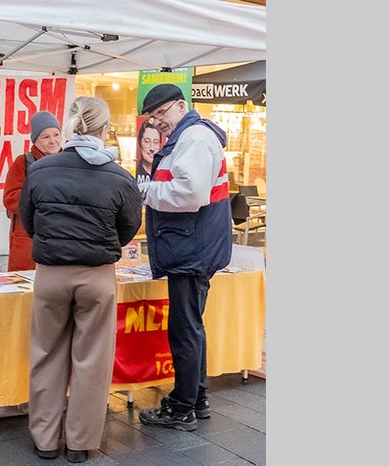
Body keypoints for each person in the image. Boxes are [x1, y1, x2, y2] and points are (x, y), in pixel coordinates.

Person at [18, 96, 142, 462]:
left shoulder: (41, 170)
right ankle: (79, 444)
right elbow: (128, 228)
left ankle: (44, 440)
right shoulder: (120, 177)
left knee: (46, 354)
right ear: (105, 129)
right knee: (92, 360)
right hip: (97, 275)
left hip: (51, 273)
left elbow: (30, 221)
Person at [135, 84, 232, 432]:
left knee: (184, 329)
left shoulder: (193, 138)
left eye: (162, 114)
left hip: (193, 250)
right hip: (194, 247)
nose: (158, 122)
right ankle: (197, 398)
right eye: (153, 117)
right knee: (191, 326)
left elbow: (189, 194)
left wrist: (144, 191)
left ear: (181, 105)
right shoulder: (191, 136)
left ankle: (182, 407)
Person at [2, 111, 62, 271]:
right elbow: (10, 198)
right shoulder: (22, 163)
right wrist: (44, 200)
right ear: (35, 140)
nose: (53, 141)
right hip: (28, 240)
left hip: (62, 239)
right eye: (45, 137)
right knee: (24, 291)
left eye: (56, 134)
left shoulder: (69, 162)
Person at [135, 119, 161, 183]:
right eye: (147, 141)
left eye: (156, 142)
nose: (152, 148)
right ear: (139, 143)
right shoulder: (133, 174)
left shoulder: (164, 172)